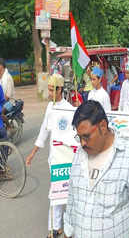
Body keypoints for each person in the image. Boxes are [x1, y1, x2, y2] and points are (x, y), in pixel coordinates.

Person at [63, 100, 129, 238]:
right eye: (79, 138)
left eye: (86, 136)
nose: (82, 143)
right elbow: (73, 197)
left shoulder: (128, 157)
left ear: (103, 126)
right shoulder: (80, 154)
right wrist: (68, 230)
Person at [25, 74, 74, 238]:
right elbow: (44, 131)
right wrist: (33, 153)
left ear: (60, 89)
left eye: (53, 89)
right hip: (54, 159)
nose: (50, 92)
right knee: (56, 192)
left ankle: (67, 228)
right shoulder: (49, 107)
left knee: (69, 194)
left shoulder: (69, 109)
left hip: (68, 159)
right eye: (49, 89)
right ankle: (54, 227)